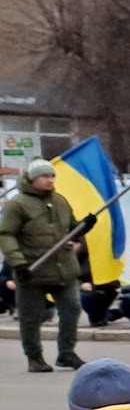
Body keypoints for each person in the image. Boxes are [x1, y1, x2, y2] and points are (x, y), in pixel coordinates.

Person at [0, 158, 90, 372]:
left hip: (64, 269)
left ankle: (66, 352)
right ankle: (35, 357)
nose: (50, 180)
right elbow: (6, 235)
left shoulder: (59, 201)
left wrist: (84, 226)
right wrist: (18, 263)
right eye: (45, 176)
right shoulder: (17, 204)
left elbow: (72, 228)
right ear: (32, 179)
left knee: (72, 308)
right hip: (32, 270)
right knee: (31, 317)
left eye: (52, 176)